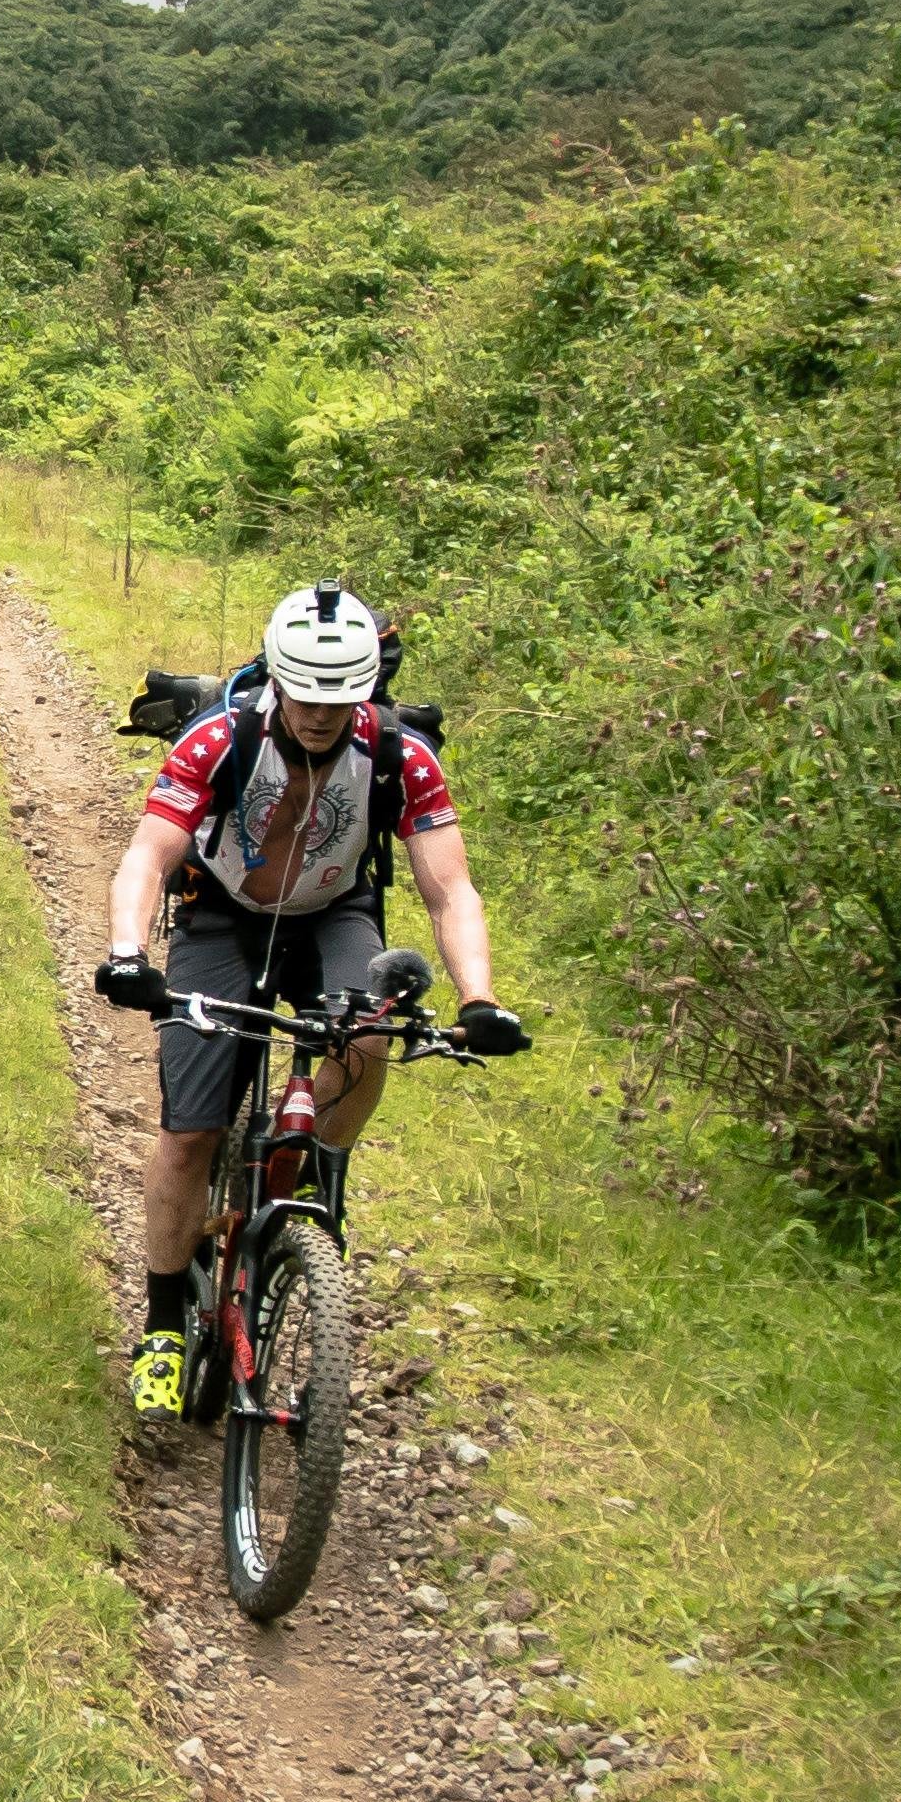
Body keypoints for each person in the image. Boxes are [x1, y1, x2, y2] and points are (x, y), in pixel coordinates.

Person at [91, 583, 529, 1417]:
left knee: (368, 1036)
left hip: (336, 913)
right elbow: (149, 857)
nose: (323, 714)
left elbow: (450, 890)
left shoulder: (400, 755)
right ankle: (163, 1326)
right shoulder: (220, 740)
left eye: (341, 697)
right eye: (306, 695)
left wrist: (479, 999)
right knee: (191, 1133)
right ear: (278, 682)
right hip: (224, 915)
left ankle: (318, 1170)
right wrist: (127, 955)